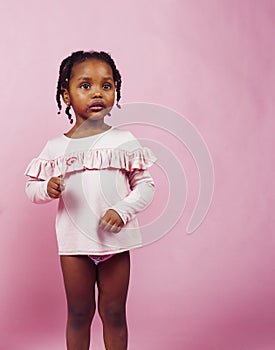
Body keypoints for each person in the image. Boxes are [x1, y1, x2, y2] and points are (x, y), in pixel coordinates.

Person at [24, 50, 157, 350]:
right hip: (74, 246)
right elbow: (31, 189)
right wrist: (48, 187)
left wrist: (123, 210)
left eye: (106, 85)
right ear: (66, 95)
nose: (97, 92)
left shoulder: (124, 140)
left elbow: (146, 186)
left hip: (115, 243)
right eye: (85, 85)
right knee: (79, 313)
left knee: (114, 313)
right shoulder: (56, 146)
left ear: (115, 92)